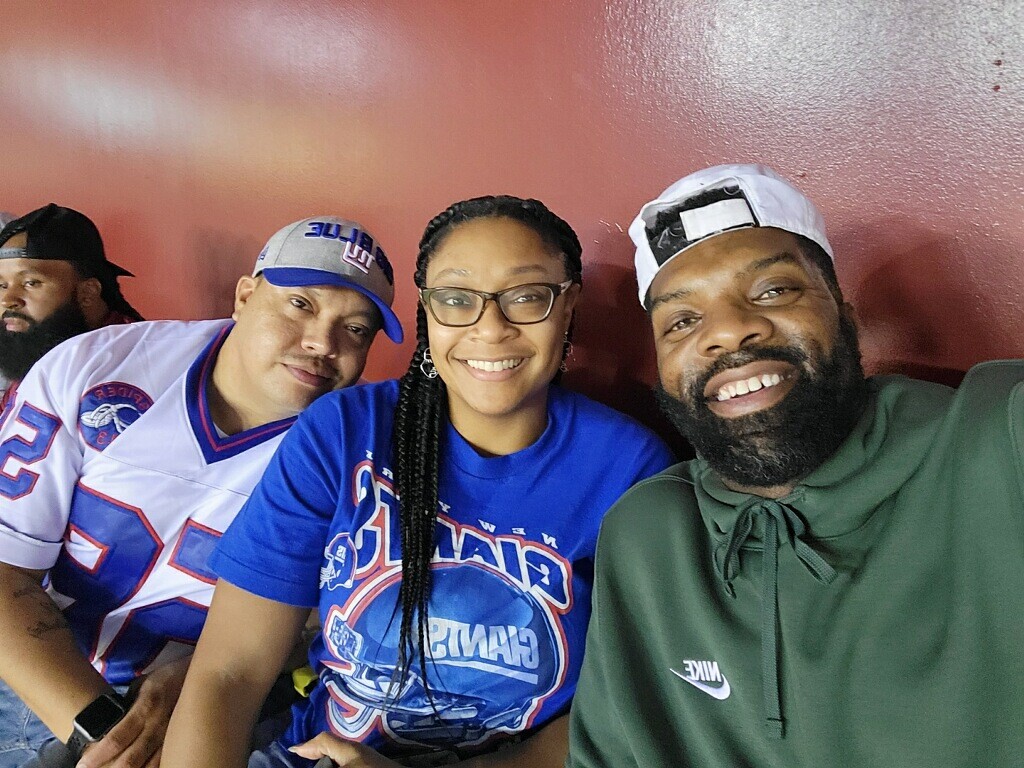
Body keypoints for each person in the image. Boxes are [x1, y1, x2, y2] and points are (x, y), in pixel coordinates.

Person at [163, 196, 675, 768]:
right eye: (456, 299)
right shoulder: (344, 431)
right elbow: (230, 673)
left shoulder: (628, 467)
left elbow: (626, 706)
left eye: (526, 296)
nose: (490, 328)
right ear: (427, 311)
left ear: (568, 304)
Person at [566, 163, 1024, 767]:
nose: (730, 332)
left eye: (773, 291)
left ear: (845, 315)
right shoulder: (647, 535)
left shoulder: (998, 434)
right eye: (682, 320)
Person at [0, 216, 402, 768]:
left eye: (355, 329)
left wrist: (195, 683)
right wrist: (102, 732)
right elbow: (5, 567)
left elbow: (327, 624)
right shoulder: (97, 366)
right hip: (40, 669)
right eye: (300, 305)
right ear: (244, 296)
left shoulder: (365, 448)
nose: (321, 344)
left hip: (217, 702)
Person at [0, 204, 144, 416]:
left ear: (88, 292)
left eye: (31, 283)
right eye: (2, 285)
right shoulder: (43, 351)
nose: (8, 300)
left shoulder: (123, 366)